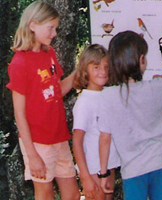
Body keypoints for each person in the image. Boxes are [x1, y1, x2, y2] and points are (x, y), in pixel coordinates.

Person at [97, 30, 162, 200]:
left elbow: (105, 138)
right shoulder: (158, 87)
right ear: (141, 60)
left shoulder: (107, 96)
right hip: (161, 164)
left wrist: (103, 174)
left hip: (132, 171)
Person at [6, 1, 80, 199]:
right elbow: (19, 113)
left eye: (55, 28)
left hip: (59, 136)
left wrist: (80, 71)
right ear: (32, 25)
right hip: (37, 141)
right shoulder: (20, 63)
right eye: (50, 28)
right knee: (45, 193)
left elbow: (57, 91)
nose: (54, 34)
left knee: (72, 194)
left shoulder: (50, 54)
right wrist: (32, 155)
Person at [72, 44, 120, 200]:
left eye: (106, 67)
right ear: (86, 70)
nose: (103, 72)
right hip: (92, 168)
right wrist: (85, 177)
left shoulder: (109, 94)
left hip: (109, 165)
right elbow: (77, 142)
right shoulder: (84, 102)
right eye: (97, 67)